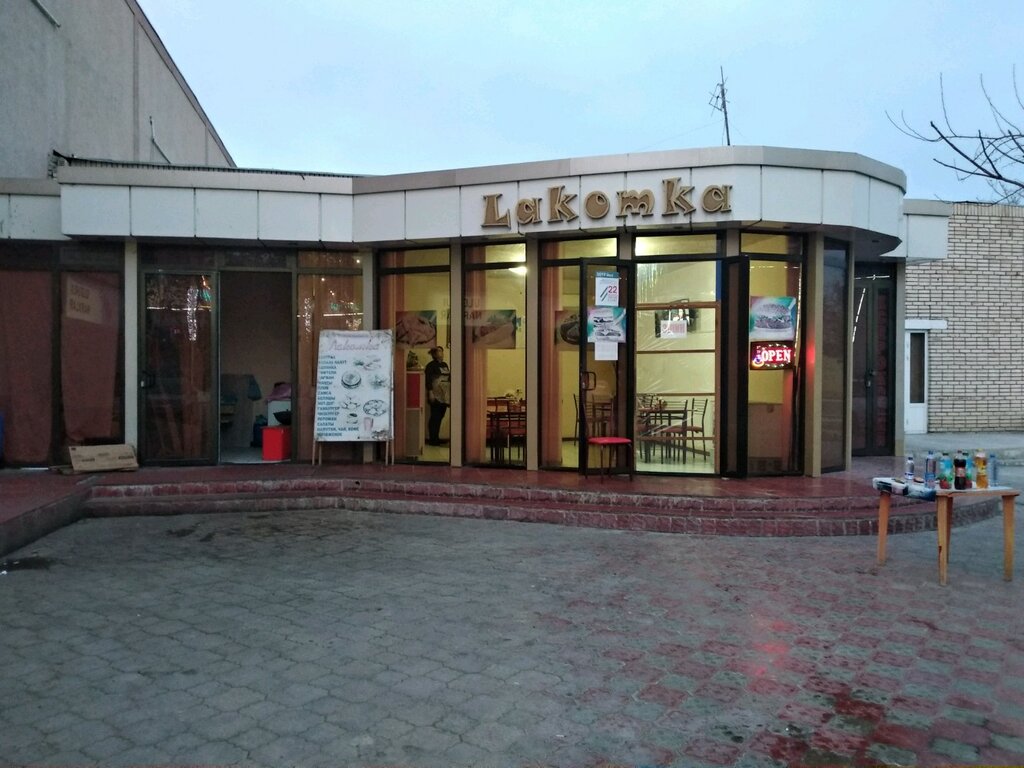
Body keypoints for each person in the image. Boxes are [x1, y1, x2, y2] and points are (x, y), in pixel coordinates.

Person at [424, 346, 450, 446]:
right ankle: (433, 439)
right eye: (438, 351)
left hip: (444, 395)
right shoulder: (430, 366)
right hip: (435, 395)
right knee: (435, 416)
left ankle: (437, 437)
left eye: (441, 351)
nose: (441, 353)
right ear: (434, 354)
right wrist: (430, 393)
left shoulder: (444, 365)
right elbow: (428, 380)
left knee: (441, 416)